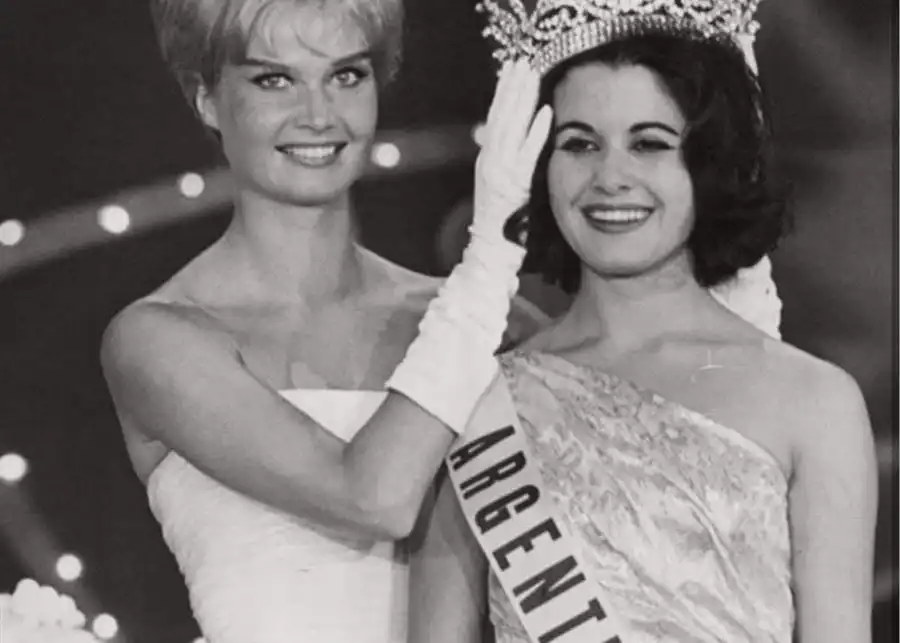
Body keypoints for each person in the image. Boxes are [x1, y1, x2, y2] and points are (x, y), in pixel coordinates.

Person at [409, 1, 878, 642]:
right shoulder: (479, 403)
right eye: (580, 144)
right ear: (535, 164)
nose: (611, 177)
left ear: (708, 163)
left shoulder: (815, 400)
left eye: (649, 144)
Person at [99, 0, 552, 641]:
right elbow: (372, 498)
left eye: (346, 76)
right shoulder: (160, 340)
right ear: (207, 99)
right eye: (274, 79)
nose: (318, 115)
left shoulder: (487, 320)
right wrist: (490, 262)